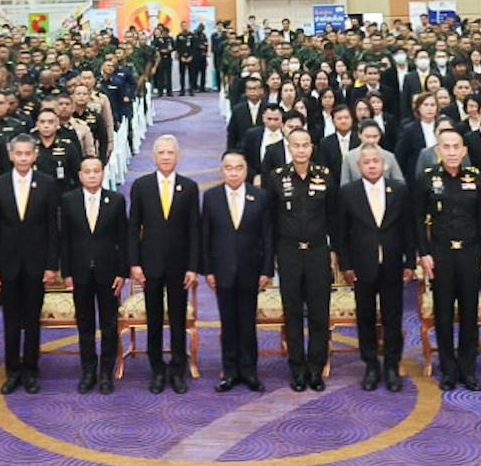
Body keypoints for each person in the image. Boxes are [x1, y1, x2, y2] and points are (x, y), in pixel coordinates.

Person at [415, 130, 481, 391]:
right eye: (446, 147)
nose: (451, 151)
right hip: (441, 254)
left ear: (464, 150)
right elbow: (417, 218)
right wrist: (423, 253)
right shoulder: (427, 178)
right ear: (438, 151)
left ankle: (468, 370)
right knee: (443, 314)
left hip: (470, 252)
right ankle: (448, 369)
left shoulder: (476, 177)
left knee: (469, 313)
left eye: (456, 146)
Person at [124, 134, 199, 394]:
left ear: (178, 156)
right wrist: (134, 264)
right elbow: (133, 228)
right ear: (154, 156)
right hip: (150, 266)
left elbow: (194, 230)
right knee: (153, 320)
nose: (166, 157)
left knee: (178, 320)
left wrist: (193, 266)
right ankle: (156, 370)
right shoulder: (141, 186)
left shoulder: (189, 187)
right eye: (161, 152)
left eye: (170, 152)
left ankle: (178, 370)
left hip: (180, 266)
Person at [266, 128, 338, 392]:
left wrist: (334, 250)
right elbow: (269, 220)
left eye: (305, 145)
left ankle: (316, 369)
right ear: (289, 147)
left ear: (311, 148)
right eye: (295, 145)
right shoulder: (276, 177)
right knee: (293, 312)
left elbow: (335, 216)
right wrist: (273, 253)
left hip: (318, 252)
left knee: (319, 313)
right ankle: (297, 368)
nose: (300, 149)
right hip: (289, 252)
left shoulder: (325, 176)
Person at [338, 142, 411, 391]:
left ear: (384, 164)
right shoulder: (348, 192)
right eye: (366, 162)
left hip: (392, 264)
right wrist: (346, 265)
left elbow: (408, 230)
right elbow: (341, 233)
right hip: (361, 266)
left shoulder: (399, 190)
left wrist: (410, 262)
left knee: (393, 317)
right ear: (359, 166)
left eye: (375, 161)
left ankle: (391, 366)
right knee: (365, 317)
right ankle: (370, 366)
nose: (371, 166)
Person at [0, 135, 57, 394]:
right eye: (19, 153)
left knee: (32, 320)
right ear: (11, 155)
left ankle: (31, 370)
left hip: (36, 264)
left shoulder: (47, 184)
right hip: (7, 264)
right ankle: (13, 371)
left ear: (35, 155)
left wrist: (51, 265)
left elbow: (53, 228)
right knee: (11, 321)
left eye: (28, 153)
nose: (23, 158)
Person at [201, 150, 271, 393]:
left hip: (251, 269)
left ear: (246, 170)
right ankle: (229, 372)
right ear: (222, 171)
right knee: (228, 323)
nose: (233, 173)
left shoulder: (260, 196)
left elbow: (267, 237)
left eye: (238, 167)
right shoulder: (211, 197)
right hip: (222, 270)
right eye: (228, 168)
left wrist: (266, 269)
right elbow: (206, 236)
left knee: (248, 323)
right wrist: (208, 271)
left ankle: (250, 372)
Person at [60, 154, 127, 393]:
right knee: (85, 325)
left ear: (103, 173)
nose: (91, 175)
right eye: (87, 171)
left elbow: (123, 239)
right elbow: (64, 240)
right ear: (79, 175)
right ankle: (88, 372)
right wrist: (66, 273)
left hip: (108, 273)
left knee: (109, 324)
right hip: (79, 273)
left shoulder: (116, 200)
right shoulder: (68, 200)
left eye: (96, 171)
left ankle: (106, 373)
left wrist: (122, 272)